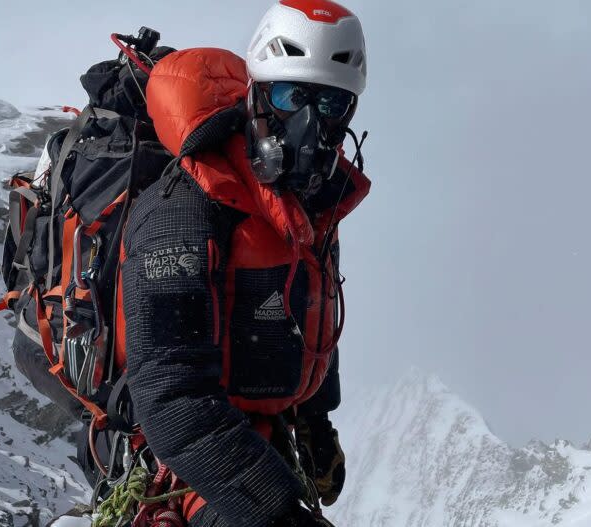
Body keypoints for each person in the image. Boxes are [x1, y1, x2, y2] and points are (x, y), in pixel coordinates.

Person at [121, 1, 370, 525]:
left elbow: (307, 311)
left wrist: (315, 420)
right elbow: (170, 397)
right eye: (292, 95)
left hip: (249, 433)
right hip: (171, 451)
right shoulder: (185, 207)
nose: (309, 122)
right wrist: (281, 514)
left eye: (331, 105)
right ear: (257, 93)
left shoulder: (312, 205)